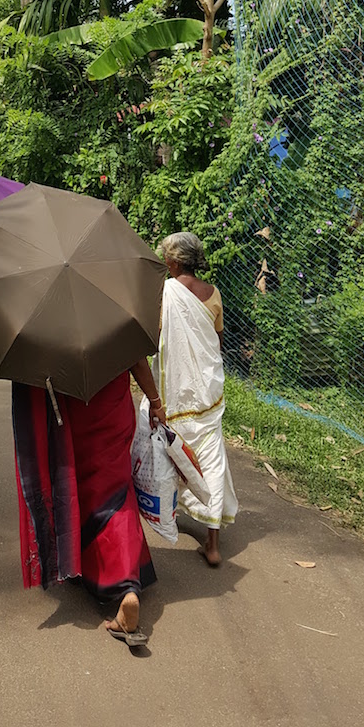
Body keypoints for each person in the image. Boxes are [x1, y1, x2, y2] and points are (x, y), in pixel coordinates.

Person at [13, 352, 162, 648]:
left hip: (74, 407)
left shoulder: (46, 315)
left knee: (84, 492)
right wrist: (155, 402)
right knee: (118, 491)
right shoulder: (115, 305)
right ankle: (127, 584)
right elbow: (134, 356)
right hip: (114, 406)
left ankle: (111, 580)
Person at [156, 231, 238, 566]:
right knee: (212, 461)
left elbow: (156, 336)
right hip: (206, 391)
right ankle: (213, 543)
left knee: (167, 450)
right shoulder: (213, 293)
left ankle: (161, 513)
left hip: (174, 391)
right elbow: (216, 343)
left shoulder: (165, 293)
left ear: (173, 261)